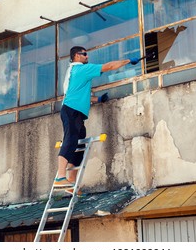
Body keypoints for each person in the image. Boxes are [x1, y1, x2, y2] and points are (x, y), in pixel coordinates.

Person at [54, 46, 139, 190]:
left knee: (79, 145)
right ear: (76, 56)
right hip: (71, 110)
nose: (87, 56)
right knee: (70, 140)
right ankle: (60, 177)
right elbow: (110, 66)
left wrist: (98, 99)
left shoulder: (73, 72)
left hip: (76, 112)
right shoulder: (81, 69)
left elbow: (82, 95)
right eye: (84, 54)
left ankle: (71, 182)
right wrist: (128, 60)